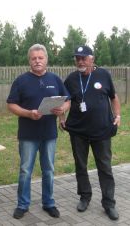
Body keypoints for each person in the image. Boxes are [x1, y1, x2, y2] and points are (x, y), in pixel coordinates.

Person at [7, 44, 70, 219]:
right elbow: (11, 104)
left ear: (46, 59)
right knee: (26, 170)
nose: (37, 61)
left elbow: (67, 100)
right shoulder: (21, 81)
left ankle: (49, 203)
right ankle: (22, 204)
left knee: (49, 169)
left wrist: (62, 109)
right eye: (34, 58)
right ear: (29, 60)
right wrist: (28, 113)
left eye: (40, 58)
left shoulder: (55, 79)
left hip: (49, 134)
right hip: (28, 134)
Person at [61, 45, 121, 221]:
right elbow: (65, 100)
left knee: (105, 167)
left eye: (84, 58)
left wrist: (117, 115)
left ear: (92, 59)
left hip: (101, 131)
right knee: (81, 166)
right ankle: (85, 196)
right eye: (77, 58)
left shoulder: (103, 75)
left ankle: (109, 203)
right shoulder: (71, 79)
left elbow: (114, 97)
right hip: (78, 131)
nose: (80, 61)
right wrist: (61, 119)